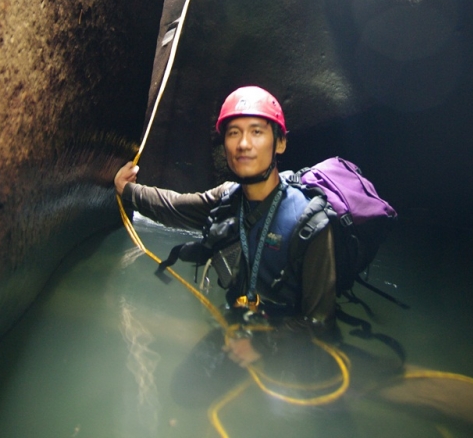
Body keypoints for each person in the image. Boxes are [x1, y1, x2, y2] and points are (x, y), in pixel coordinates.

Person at [114, 86, 337, 369]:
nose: (243, 144)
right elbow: (173, 207)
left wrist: (263, 346)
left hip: (293, 346)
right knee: (185, 394)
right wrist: (126, 190)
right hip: (239, 327)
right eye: (234, 133)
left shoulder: (310, 222)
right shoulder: (226, 199)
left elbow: (319, 323)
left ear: (280, 143)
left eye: (257, 132)